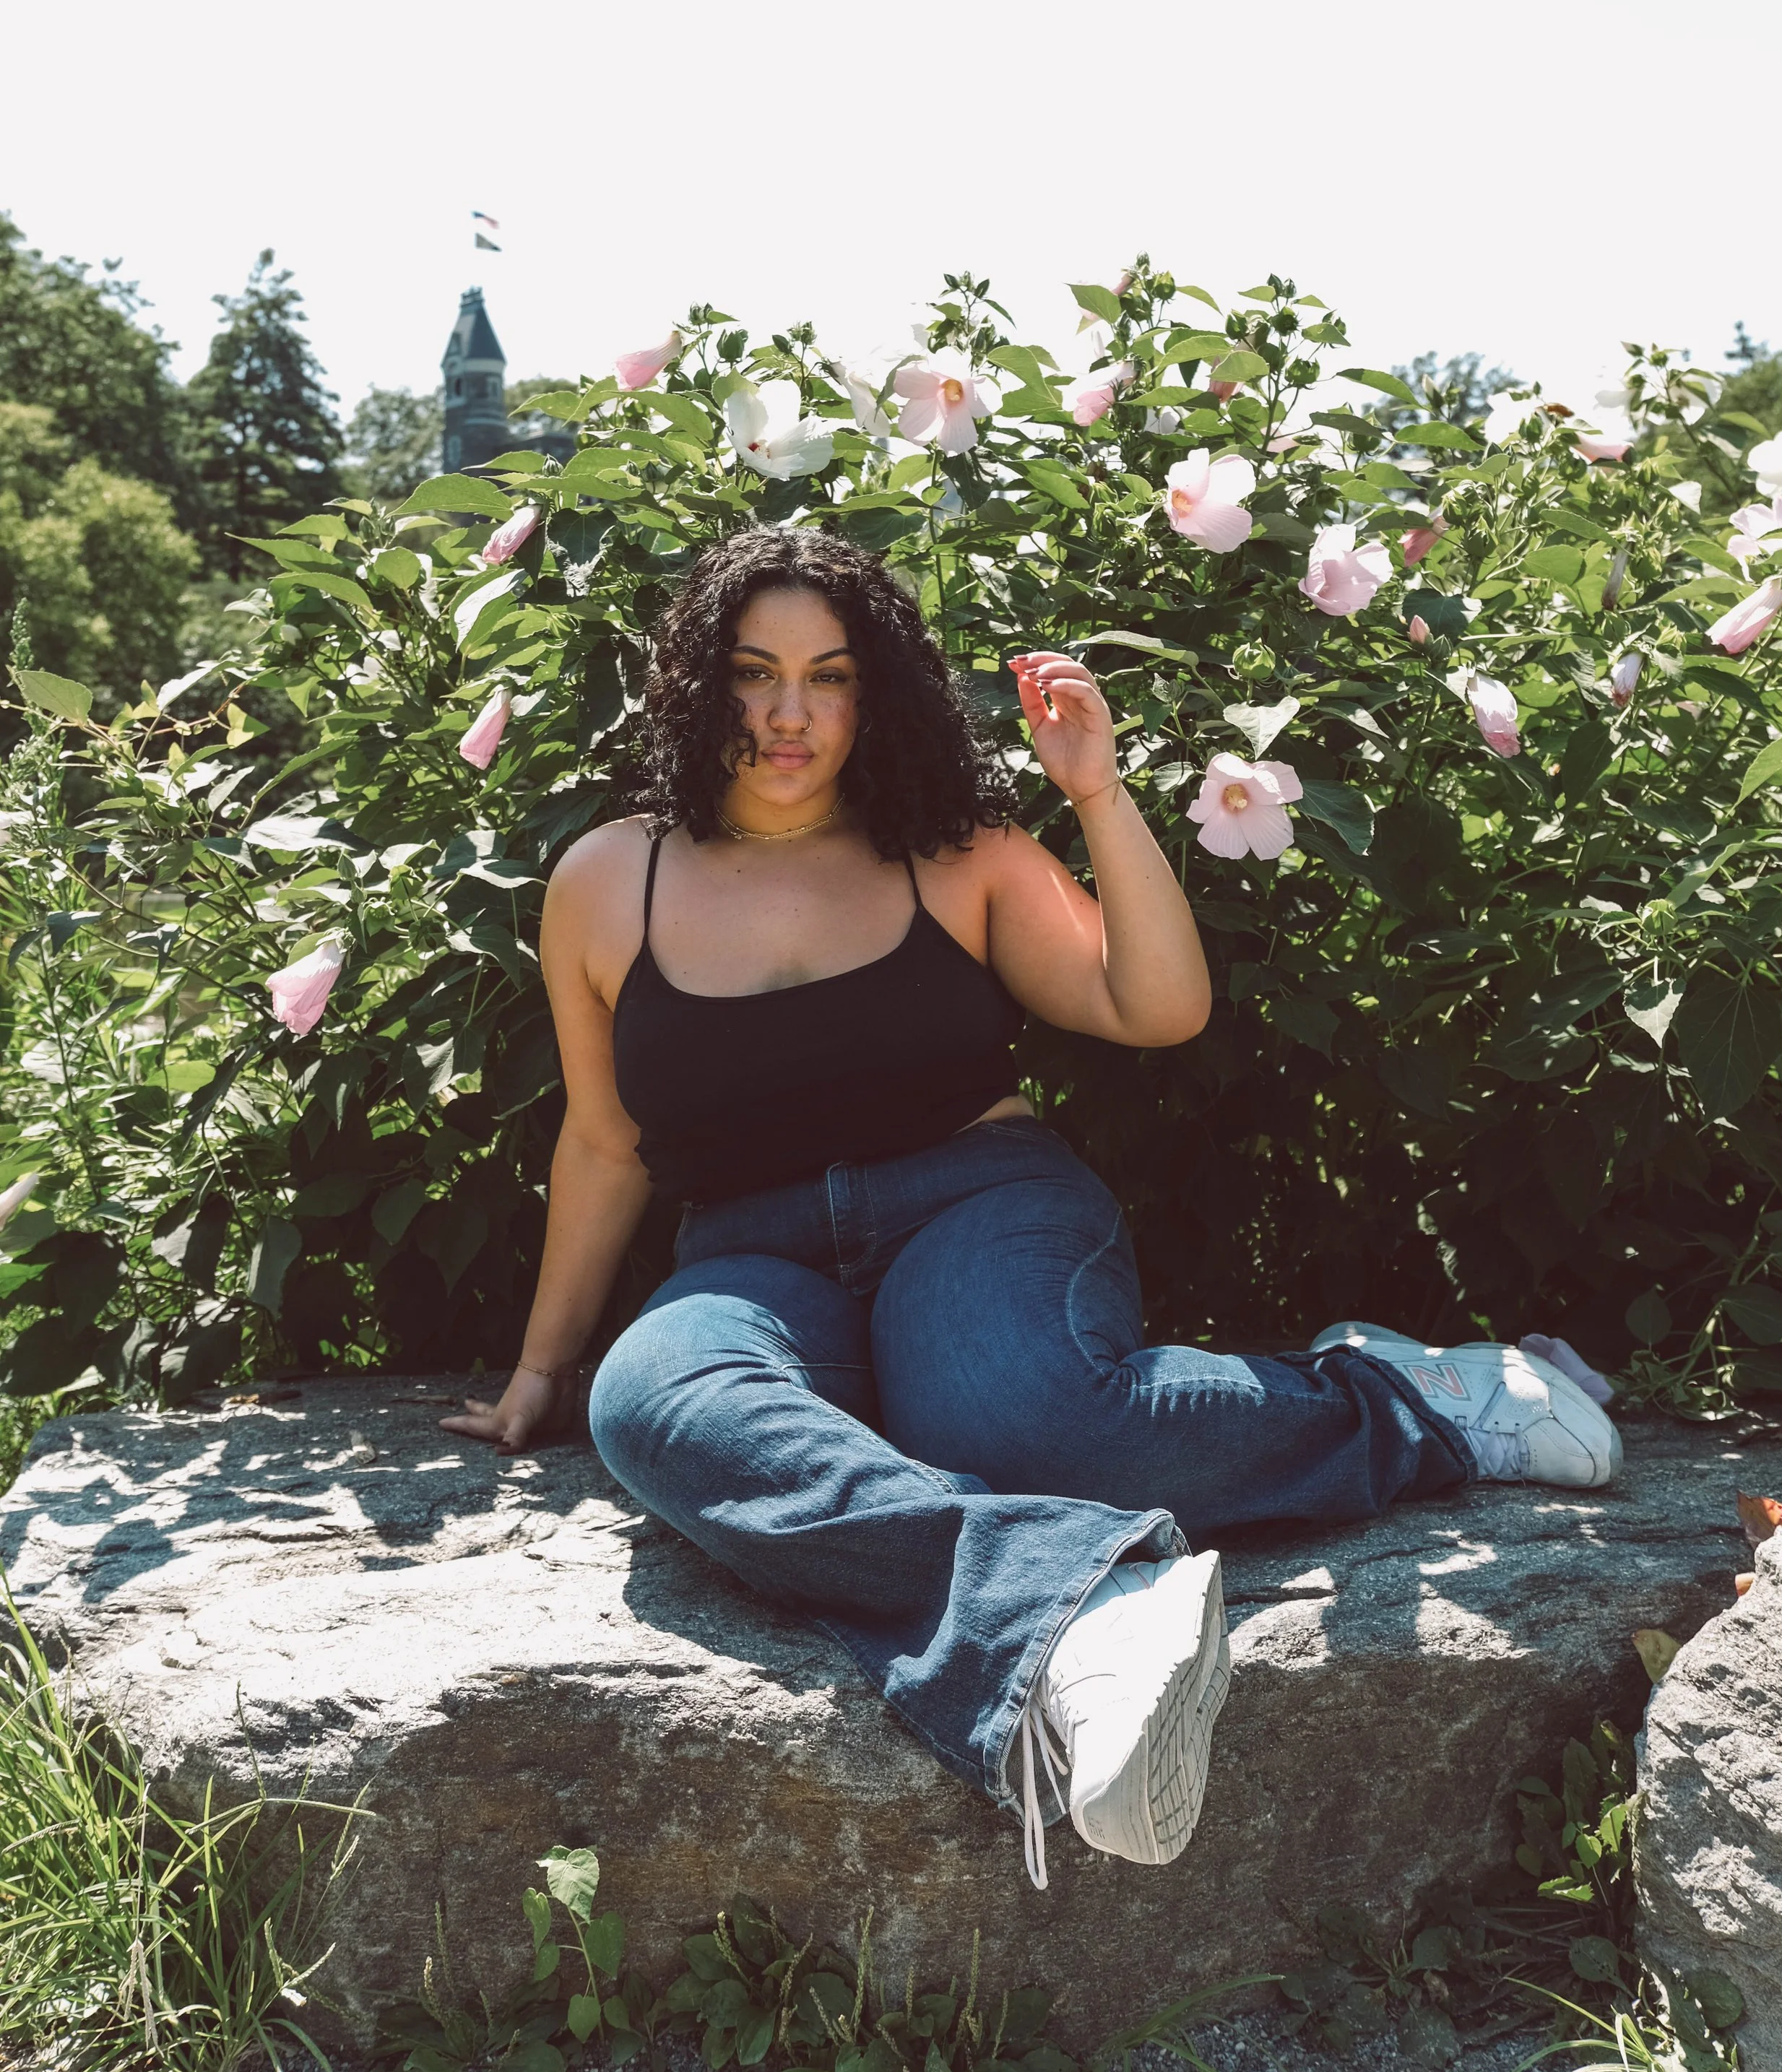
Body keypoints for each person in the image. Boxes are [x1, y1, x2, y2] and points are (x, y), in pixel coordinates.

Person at [445, 526, 1621, 1886]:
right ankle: (1084, 1612)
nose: (788, 714)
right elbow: (605, 1143)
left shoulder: (956, 854)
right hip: (753, 1262)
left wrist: (1098, 791)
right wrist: (545, 1368)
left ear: (875, 692)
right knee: (650, 1405)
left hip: (974, 1204)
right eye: (755, 672)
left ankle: (1410, 1400)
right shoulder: (610, 880)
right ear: (700, 683)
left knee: (1015, 1414)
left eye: (830, 676)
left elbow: (1154, 1005)